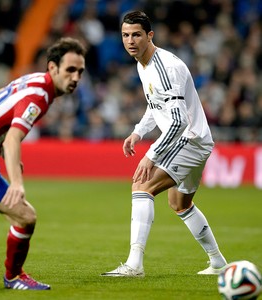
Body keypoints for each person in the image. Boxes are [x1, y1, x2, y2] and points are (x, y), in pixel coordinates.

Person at [101, 11, 227, 277]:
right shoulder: (142, 64)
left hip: (189, 139)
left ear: (150, 36)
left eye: (136, 35)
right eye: (125, 35)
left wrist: (151, 155)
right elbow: (155, 106)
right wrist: (138, 132)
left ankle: (134, 264)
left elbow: (179, 121)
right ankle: (218, 263)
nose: (130, 41)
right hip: (198, 140)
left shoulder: (165, 67)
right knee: (180, 203)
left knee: (142, 185)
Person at [0, 37, 86, 289]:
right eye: (70, 70)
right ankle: (14, 277)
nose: (75, 78)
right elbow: (12, 139)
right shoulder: (39, 96)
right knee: (25, 216)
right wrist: (16, 183)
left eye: (80, 72)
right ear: (53, 67)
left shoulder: (33, 80)